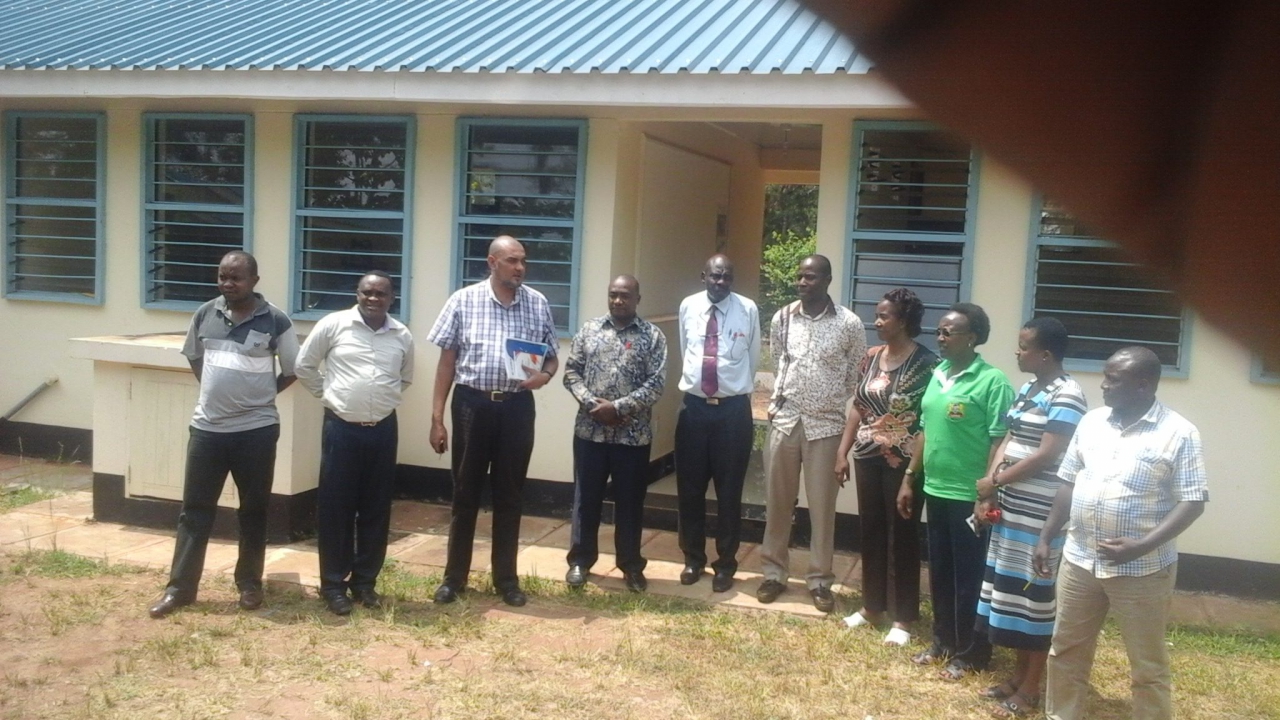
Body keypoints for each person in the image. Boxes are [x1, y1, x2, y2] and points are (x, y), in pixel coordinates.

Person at [1035, 347, 1208, 720]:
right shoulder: (1092, 422)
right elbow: (1068, 482)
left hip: (1142, 570)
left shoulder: (1178, 433)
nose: (1103, 385)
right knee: (1066, 650)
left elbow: (1193, 501)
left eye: (1113, 379)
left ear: (1143, 385)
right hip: (1080, 560)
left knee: (1147, 665)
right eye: (1105, 376)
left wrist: (1142, 546)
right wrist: (1047, 536)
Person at [149, 251, 299, 619]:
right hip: (208, 430)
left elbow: (293, 369)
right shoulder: (205, 314)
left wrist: (260, 396)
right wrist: (214, 389)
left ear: (254, 281)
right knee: (194, 511)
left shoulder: (276, 319)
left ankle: (249, 584)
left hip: (256, 431)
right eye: (222, 277)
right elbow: (194, 355)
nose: (228, 284)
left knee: (253, 510)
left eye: (236, 278)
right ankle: (180, 589)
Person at [427, 236, 560, 608]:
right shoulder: (463, 301)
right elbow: (446, 364)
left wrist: (545, 376)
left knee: (510, 494)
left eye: (523, 261)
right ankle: (454, 578)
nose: (520, 268)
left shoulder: (537, 303)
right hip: (472, 404)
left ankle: (506, 580)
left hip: (517, 408)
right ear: (492, 262)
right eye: (512, 260)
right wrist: (437, 419)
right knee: (465, 493)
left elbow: (552, 357)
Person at [972, 318, 1088, 718]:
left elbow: (1048, 454)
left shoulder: (1068, 395)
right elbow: (1009, 439)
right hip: (1011, 507)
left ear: (1046, 354)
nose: (1017, 352)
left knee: (1034, 597)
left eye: (1024, 347)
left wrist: (996, 480)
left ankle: (1032, 686)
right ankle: (1018, 676)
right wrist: (990, 486)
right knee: (1013, 593)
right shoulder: (1028, 389)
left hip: (1040, 513)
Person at [898, 302, 1014, 680]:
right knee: (942, 572)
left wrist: (988, 491)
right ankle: (943, 641)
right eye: (939, 331)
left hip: (970, 496)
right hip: (936, 489)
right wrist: (910, 478)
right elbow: (925, 430)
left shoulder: (992, 381)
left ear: (972, 338)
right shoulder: (938, 374)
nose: (940, 338)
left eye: (948, 332)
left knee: (970, 577)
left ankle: (973, 652)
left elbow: (1001, 440)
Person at [295, 271, 414, 616]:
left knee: (376, 507)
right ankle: (333, 585)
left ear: (392, 298)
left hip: (383, 429)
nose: (373, 298)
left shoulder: (401, 334)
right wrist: (330, 396)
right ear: (357, 294)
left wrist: (379, 401)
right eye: (367, 292)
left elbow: (405, 378)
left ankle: (365, 583)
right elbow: (304, 366)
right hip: (341, 429)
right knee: (337, 508)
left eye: (381, 293)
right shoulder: (333, 325)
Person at [756, 255, 865, 612]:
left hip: (826, 427)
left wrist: (827, 399)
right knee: (777, 503)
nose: (802, 282)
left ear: (827, 280)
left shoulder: (849, 323)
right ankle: (774, 573)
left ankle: (819, 580)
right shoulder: (782, 317)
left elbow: (855, 375)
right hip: (785, 422)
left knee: (822, 509)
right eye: (800, 276)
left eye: (811, 277)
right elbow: (779, 362)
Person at [836, 288, 938, 644]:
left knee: (902, 535)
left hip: (905, 463)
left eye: (884, 316)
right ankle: (872, 607)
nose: (877, 321)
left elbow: (928, 420)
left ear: (904, 320)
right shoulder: (871, 357)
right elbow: (858, 406)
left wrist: (913, 471)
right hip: (866, 456)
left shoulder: (928, 364)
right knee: (871, 531)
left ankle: (903, 618)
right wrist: (842, 452)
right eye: (877, 315)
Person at [562, 275, 667, 593]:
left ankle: (631, 565)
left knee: (630, 503)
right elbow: (571, 372)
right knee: (586, 500)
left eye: (624, 295)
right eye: (613, 295)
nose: (618, 300)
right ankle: (580, 561)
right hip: (589, 433)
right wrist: (593, 404)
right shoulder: (589, 330)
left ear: (637, 299)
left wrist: (618, 408)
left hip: (632, 438)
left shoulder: (652, 336)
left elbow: (656, 384)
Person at [675, 254, 761, 593]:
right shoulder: (688, 306)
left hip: (732, 413)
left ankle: (725, 564)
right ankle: (693, 559)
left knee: (729, 491)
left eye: (726, 277)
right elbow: (686, 350)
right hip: (694, 410)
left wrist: (732, 390)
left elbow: (752, 359)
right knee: (690, 490)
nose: (720, 282)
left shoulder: (747, 309)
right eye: (715, 276)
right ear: (703, 276)